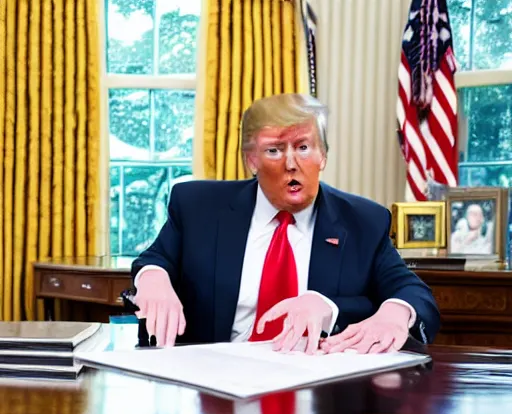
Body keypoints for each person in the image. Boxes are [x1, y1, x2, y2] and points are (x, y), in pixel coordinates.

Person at [131, 93, 440, 355]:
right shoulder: (199, 206)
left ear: (323, 156)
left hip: (316, 394)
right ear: (251, 160)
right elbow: (156, 259)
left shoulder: (362, 221)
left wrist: (394, 313)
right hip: (216, 385)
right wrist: (153, 279)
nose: (291, 163)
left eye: (304, 147)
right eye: (275, 150)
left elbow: (412, 291)